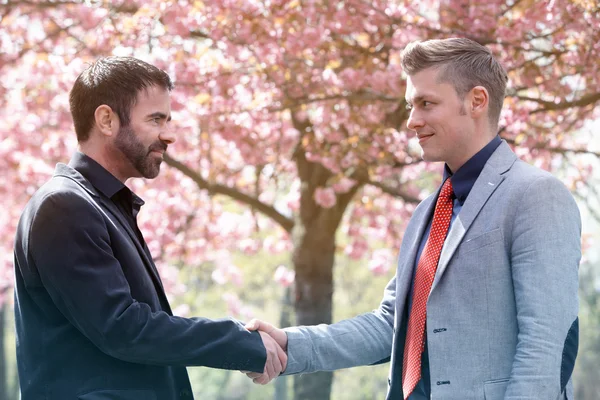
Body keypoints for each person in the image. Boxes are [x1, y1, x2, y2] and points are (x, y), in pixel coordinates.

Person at [244, 38, 581, 400]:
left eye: (426, 104)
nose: (411, 121)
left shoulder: (536, 195)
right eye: (410, 105)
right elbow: (391, 326)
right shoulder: (427, 213)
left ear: (477, 101)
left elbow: (544, 348)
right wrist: (289, 343)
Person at [13, 56, 287, 400]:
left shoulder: (101, 205)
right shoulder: (65, 206)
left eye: (169, 120)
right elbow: (122, 328)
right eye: (156, 119)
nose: (169, 135)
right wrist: (239, 342)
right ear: (106, 120)